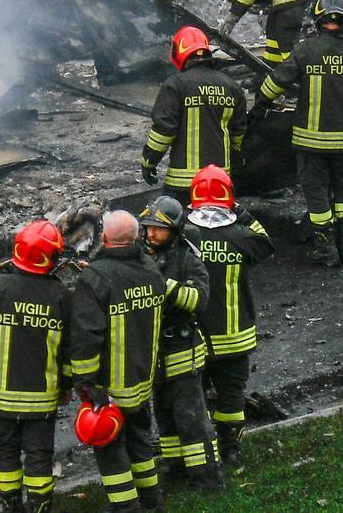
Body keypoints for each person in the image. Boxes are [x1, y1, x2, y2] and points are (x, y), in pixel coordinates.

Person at [0, 220, 70, 513]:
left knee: (5, 453)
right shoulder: (61, 296)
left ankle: (9, 506)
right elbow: (69, 351)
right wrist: (67, 386)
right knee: (39, 458)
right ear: (50, 257)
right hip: (41, 401)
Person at [256, 0, 343, 266]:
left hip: (312, 141)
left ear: (318, 19)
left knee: (317, 192)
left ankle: (326, 249)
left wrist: (260, 101)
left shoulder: (306, 50)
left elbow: (276, 82)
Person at [70, 210, 168, 512]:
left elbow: (87, 337)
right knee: (140, 446)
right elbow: (125, 285)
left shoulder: (94, 280)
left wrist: (87, 386)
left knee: (111, 452)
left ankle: (126, 507)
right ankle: (153, 503)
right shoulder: (152, 270)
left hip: (109, 390)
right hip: (141, 383)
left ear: (103, 238)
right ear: (136, 237)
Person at [186, 166, 274, 465]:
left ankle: (201, 454)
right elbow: (265, 243)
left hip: (195, 339)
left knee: (195, 397)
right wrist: (241, 212)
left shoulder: (185, 237)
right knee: (232, 397)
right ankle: (231, 450)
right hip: (235, 337)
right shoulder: (241, 236)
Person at [139, 197, 222, 491]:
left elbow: (199, 300)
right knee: (165, 418)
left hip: (183, 353)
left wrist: (164, 287)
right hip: (156, 355)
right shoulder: (142, 257)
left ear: (174, 230)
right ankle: (175, 470)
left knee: (191, 420)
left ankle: (206, 478)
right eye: (148, 228)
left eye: (158, 229)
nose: (151, 234)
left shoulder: (188, 259)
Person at [141, 26, 247, 204]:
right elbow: (238, 133)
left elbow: (163, 131)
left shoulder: (175, 85)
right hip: (220, 182)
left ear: (179, 52)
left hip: (182, 183)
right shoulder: (231, 86)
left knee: (171, 226)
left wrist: (149, 162)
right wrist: (234, 157)